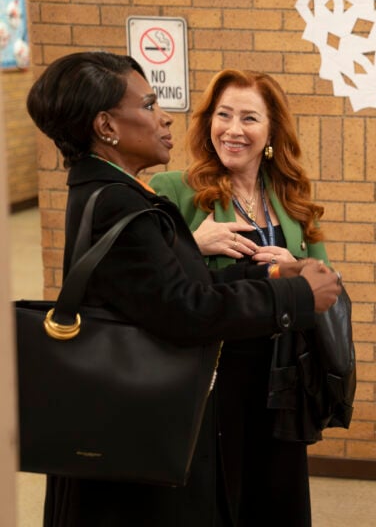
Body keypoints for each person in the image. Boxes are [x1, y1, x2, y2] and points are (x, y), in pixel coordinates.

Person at [26, 51, 342, 527]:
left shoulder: (111, 192)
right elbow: (185, 308)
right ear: (107, 126)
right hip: (175, 397)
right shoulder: (121, 201)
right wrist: (292, 295)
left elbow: (171, 287)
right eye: (150, 104)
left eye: (250, 117)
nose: (165, 115)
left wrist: (272, 275)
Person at [149, 69, 328, 526]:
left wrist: (294, 265)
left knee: (277, 497)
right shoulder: (174, 190)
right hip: (214, 375)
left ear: (271, 132)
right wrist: (193, 243)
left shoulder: (291, 196)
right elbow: (151, 282)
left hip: (282, 375)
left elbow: (327, 281)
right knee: (220, 499)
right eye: (223, 115)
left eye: (249, 118)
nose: (233, 129)